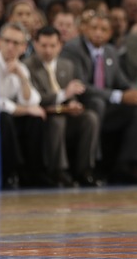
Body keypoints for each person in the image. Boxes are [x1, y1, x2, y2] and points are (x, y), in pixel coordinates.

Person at [60, 11, 137, 184]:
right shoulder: (73, 48)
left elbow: (122, 81)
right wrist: (118, 96)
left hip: (107, 104)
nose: (98, 32)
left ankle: (126, 164)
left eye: (103, 29)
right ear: (85, 29)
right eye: (94, 28)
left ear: (110, 33)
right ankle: (92, 164)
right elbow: (81, 86)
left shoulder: (110, 51)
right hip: (82, 104)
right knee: (97, 102)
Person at [0, 22, 46, 188]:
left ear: (24, 47)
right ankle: (11, 172)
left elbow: (32, 101)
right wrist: (25, 109)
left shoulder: (21, 68)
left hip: (10, 118)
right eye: (7, 41)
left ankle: (32, 174)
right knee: (4, 117)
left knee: (35, 120)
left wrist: (22, 78)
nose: (10, 47)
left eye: (16, 43)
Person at [24, 26, 100, 187]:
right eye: (43, 45)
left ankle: (85, 169)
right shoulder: (28, 66)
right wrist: (64, 95)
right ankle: (58, 171)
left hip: (65, 113)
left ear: (60, 45)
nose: (48, 50)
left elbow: (71, 94)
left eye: (52, 45)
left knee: (90, 118)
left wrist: (72, 102)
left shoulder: (67, 65)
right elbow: (36, 98)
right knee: (57, 122)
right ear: (35, 44)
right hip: (44, 117)